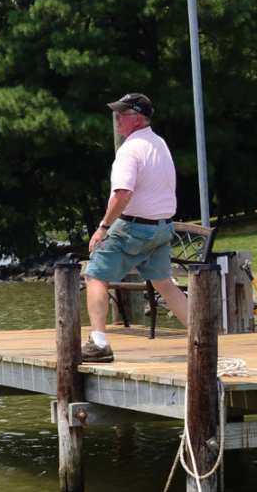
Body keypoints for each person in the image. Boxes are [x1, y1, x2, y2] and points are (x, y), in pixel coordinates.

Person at [83, 93, 188, 363]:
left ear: (137, 118)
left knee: (95, 275)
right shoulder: (159, 143)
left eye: (122, 114)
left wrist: (103, 227)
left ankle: (98, 344)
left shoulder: (129, 150)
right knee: (165, 283)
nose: (116, 118)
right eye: (115, 113)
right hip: (163, 229)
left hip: (133, 228)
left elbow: (122, 194)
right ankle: (202, 336)